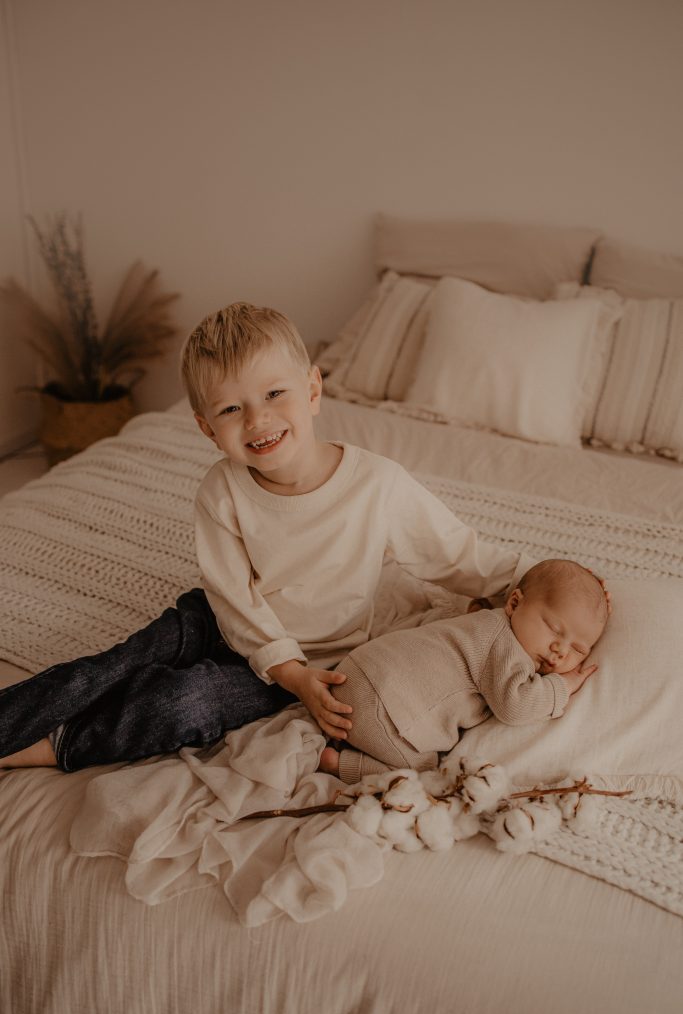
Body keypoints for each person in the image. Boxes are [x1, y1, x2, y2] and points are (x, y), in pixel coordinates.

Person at [0, 301, 536, 773]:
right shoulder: (221, 491)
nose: (258, 420)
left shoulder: (377, 485)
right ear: (207, 429)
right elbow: (232, 598)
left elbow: (458, 555)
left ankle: (58, 743)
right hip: (215, 616)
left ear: (312, 389)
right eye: (231, 409)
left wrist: (535, 581)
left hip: (308, 659)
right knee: (110, 665)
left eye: (275, 393)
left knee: (185, 705)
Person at [319, 559, 608, 784]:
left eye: (578, 650)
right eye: (555, 629)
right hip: (378, 704)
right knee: (428, 773)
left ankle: (345, 741)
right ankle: (336, 763)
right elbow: (515, 706)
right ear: (515, 603)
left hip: (357, 672)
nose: (560, 650)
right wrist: (563, 685)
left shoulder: (485, 623)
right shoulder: (506, 646)